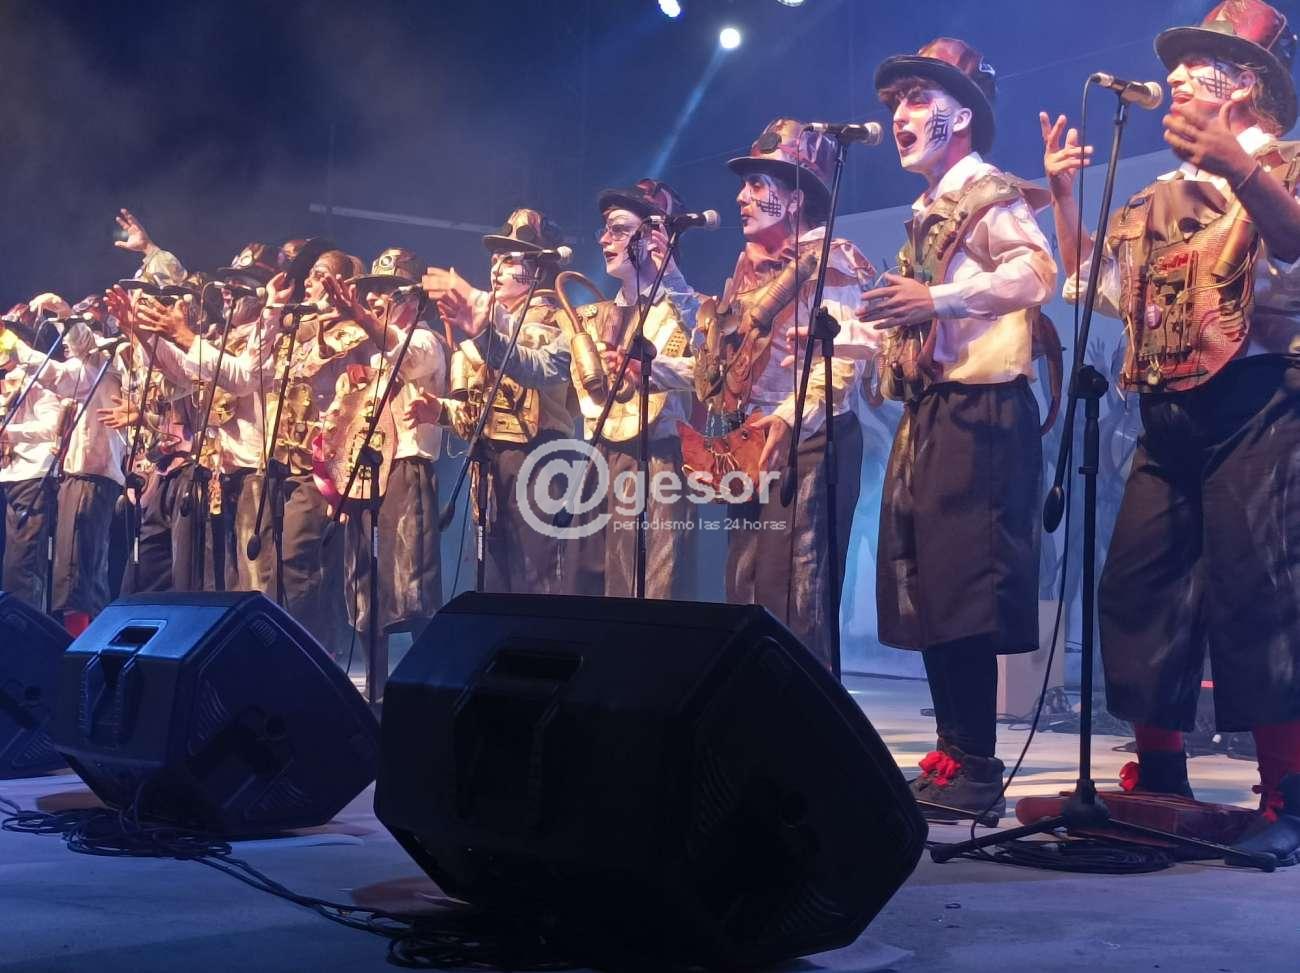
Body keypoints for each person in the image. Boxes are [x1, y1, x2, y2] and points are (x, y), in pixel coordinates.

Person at [1042, 0, 1300, 865]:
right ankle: (1160, 778)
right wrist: (1063, 197)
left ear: (1247, 86)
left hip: (1261, 402)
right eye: (1178, 62)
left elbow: (1295, 246)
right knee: (1138, 586)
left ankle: (1288, 793)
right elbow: (1096, 283)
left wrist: (1240, 167)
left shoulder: (1290, 165)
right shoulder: (1157, 196)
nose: (1178, 76)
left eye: (1201, 63)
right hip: (1167, 408)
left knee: (1260, 594)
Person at [851, 39, 1058, 821]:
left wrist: (935, 301)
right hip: (935, 409)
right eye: (896, 103)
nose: (900, 117)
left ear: (961, 116)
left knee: (966, 585)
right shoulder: (930, 210)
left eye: (918, 100)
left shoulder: (987, 194)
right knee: (932, 584)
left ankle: (975, 763)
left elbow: (1038, 273)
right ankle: (951, 754)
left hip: (983, 411)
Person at [418, 210, 575, 595]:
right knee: (493, 576)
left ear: (538, 268)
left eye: (510, 259)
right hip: (491, 462)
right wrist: (441, 411)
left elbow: (532, 359)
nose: (497, 268)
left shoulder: (554, 317)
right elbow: (479, 410)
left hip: (537, 459)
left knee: (536, 577)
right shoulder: (487, 326)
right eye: (494, 259)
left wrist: (480, 312)